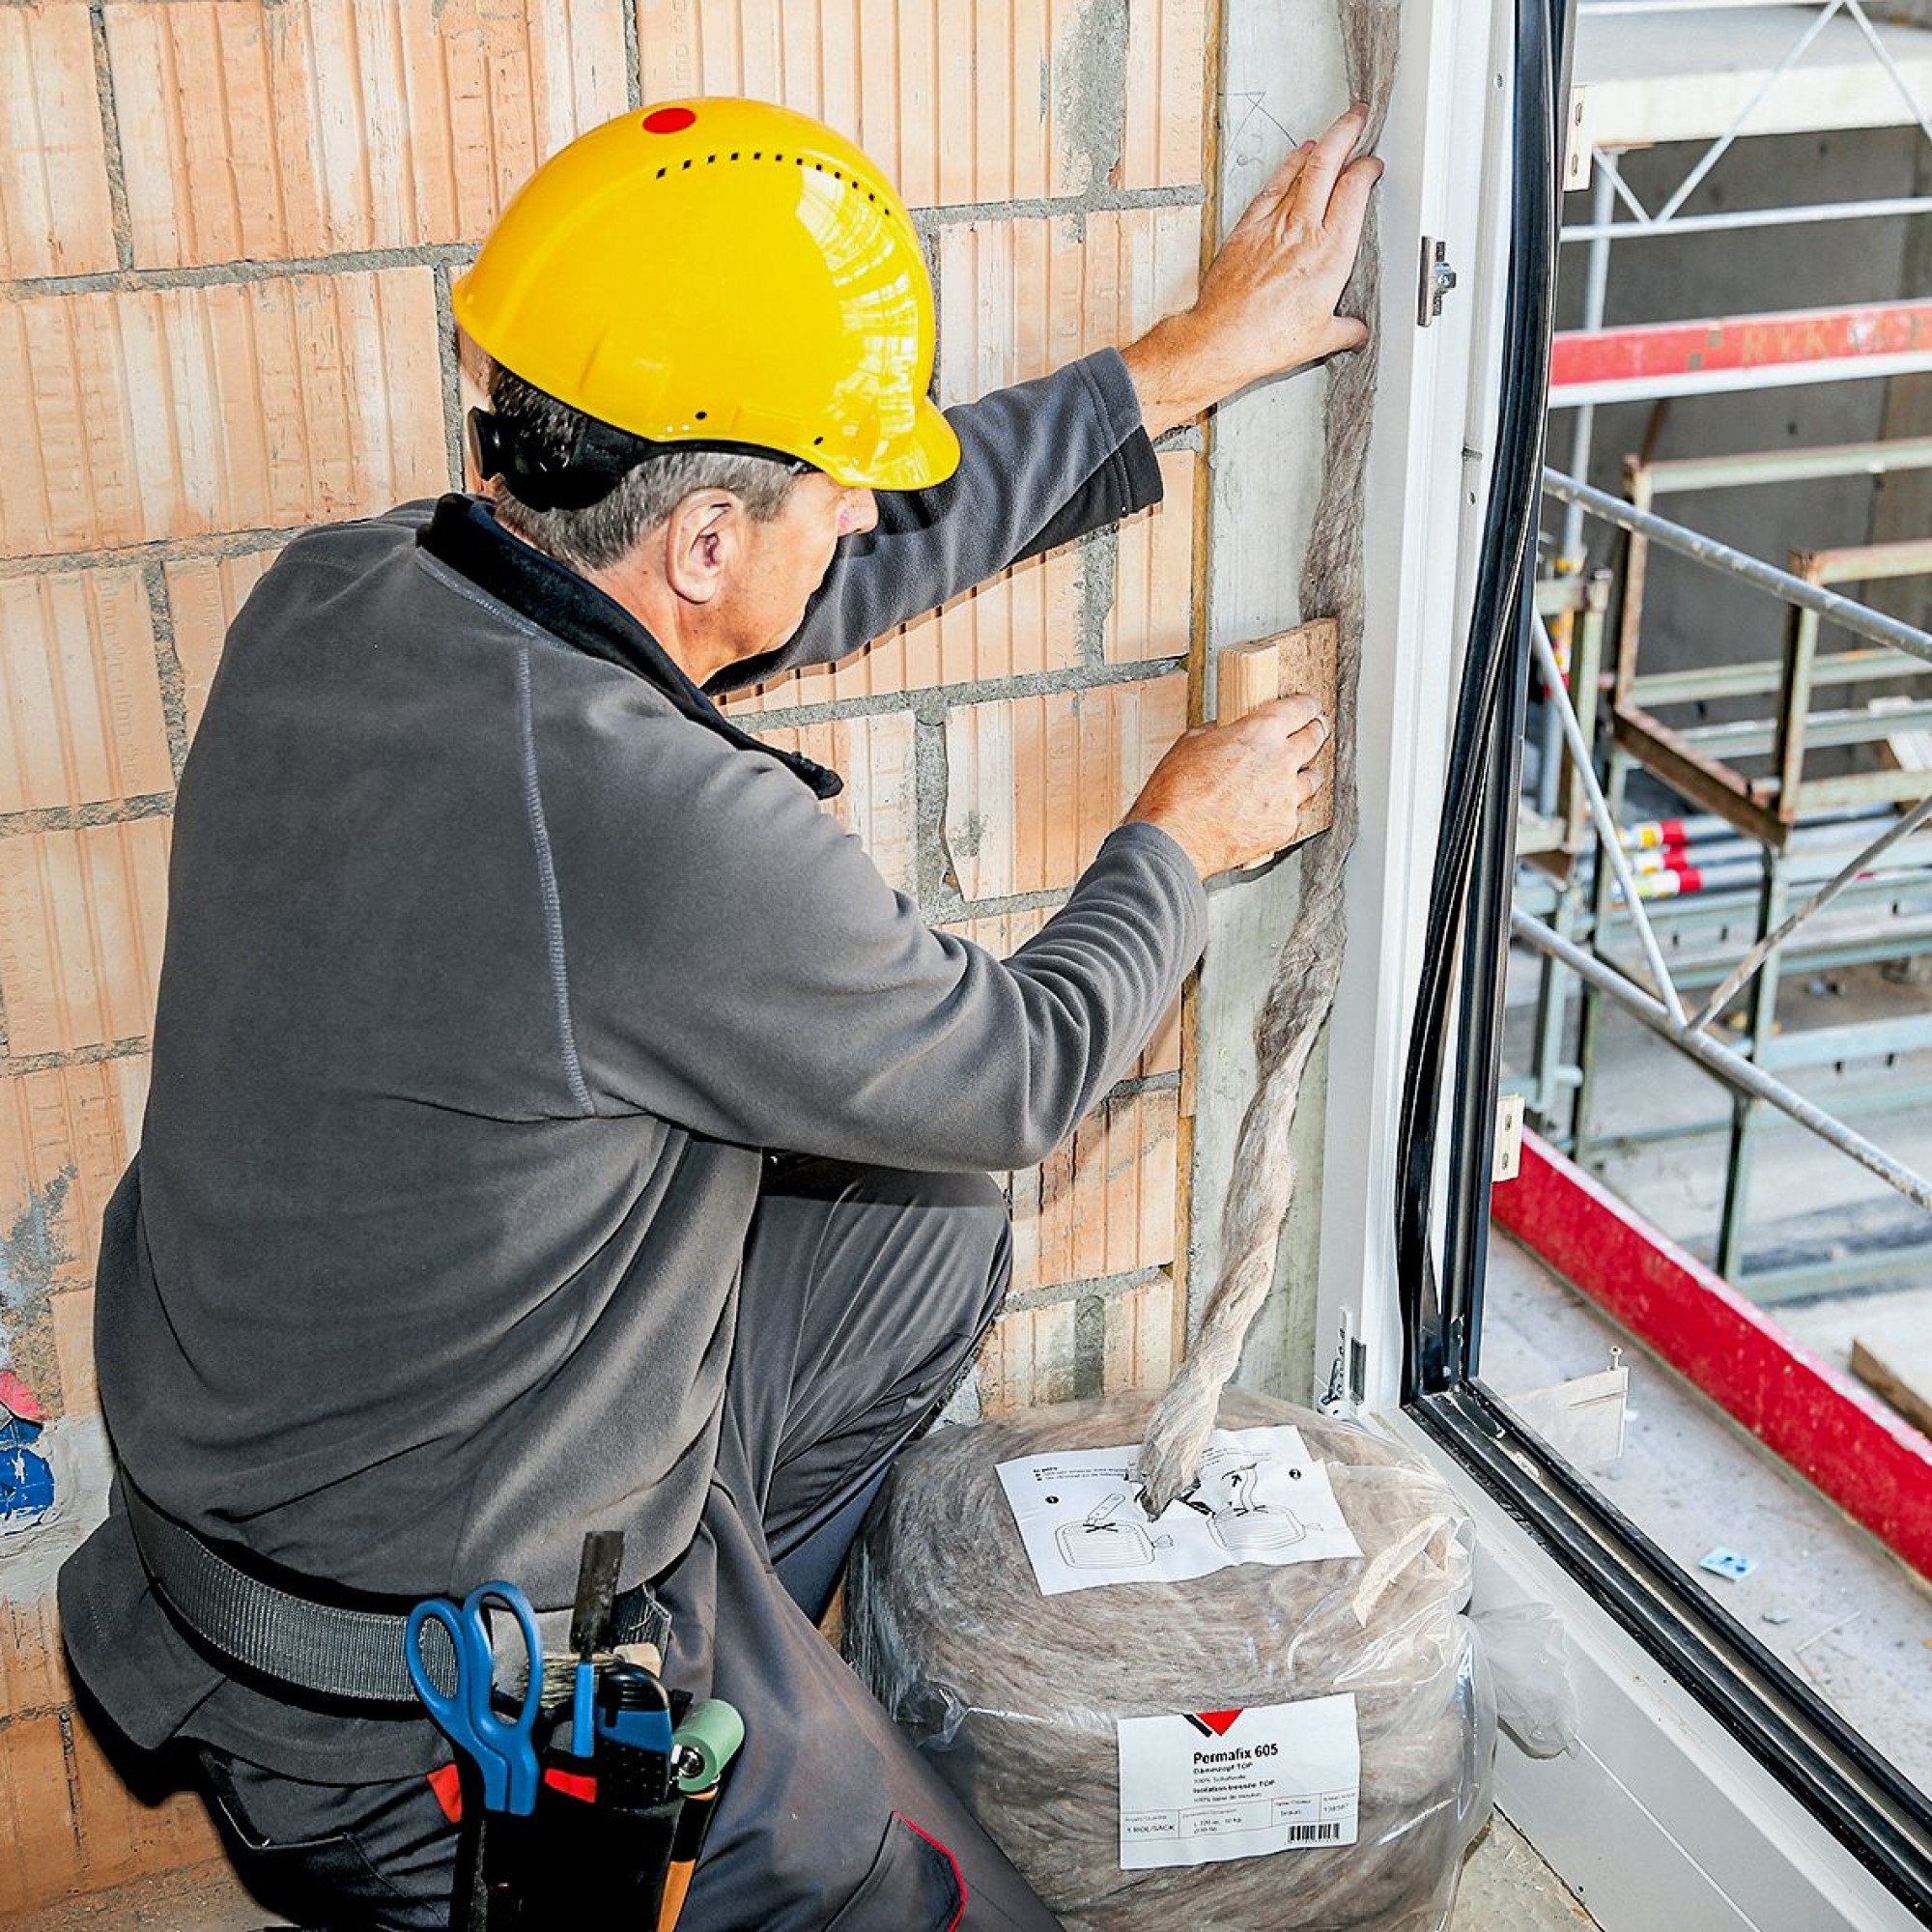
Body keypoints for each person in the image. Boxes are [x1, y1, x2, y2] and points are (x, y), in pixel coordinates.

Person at [59, 95, 1380, 1930]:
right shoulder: (659, 832)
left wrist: (1164, 371)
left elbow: (793, 589)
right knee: (943, 1905)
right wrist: (1177, 834)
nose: (861, 518)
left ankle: (735, 1633)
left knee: (917, 1231)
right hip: (416, 1715)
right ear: (693, 540)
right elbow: (1014, 1072)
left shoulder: (352, 592)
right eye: (840, 485)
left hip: (286, 1528)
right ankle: (701, 1794)